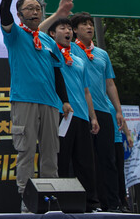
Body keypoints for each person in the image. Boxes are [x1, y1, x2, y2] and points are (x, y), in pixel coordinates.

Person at [0, 0, 72, 207]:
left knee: (50, 153)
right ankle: (26, 199)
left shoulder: (49, 41)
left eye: (37, 7)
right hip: (24, 100)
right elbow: (3, 13)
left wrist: (65, 100)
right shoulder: (15, 36)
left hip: (51, 103)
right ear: (20, 14)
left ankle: (50, 199)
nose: (34, 11)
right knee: (26, 151)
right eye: (29, 8)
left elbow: (58, 71)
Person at [69, 11, 129, 211]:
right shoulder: (71, 50)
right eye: (84, 24)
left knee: (108, 159)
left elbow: (110, 83)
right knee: (88, 161)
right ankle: (93, 203)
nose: (89, 27)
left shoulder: (102, 54)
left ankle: (113, 203)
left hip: (104, 111)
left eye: (91, 24)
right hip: (82, 110)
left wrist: (118, 111)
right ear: (75, 30)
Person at [40, 15, 100, 212]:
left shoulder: (78, 59)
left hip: (81, 116)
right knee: (61, 160)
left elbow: (86, 91)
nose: (68, 32)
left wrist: (93, 116)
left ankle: (91, 203)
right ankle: (60, 201)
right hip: (59, 114)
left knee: (85, 163)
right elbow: (38, 33)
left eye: (69, 29)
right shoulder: (49, 54)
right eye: (62, 28)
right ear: (52, 33)